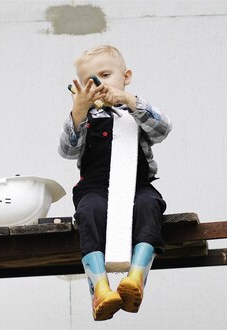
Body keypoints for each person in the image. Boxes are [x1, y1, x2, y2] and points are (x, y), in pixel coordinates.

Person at [58, 45, 172, 321]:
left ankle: (136, 278)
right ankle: (100, 288)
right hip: (95, 187)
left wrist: (128, 100)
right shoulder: (84, 117)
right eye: (89, 81)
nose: (99, 84)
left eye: (106, 75)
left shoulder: (137, 110)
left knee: (149, 205)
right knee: (90, 212)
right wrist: (78, 113)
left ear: (126, 76)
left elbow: (162, 128)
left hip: (136, 185)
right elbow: (68, 150)